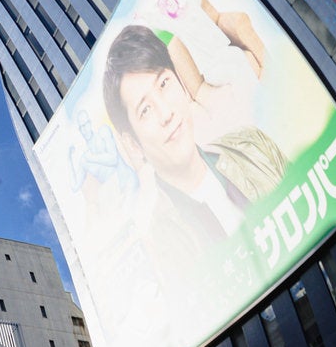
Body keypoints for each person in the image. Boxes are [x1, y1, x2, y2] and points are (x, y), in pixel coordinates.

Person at [100, 22, 287, 286]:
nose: (166, 113)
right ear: (133, 144)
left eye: (164, 83)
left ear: (182, 84)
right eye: (145, 110)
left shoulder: (254, 147)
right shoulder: (162, 245)